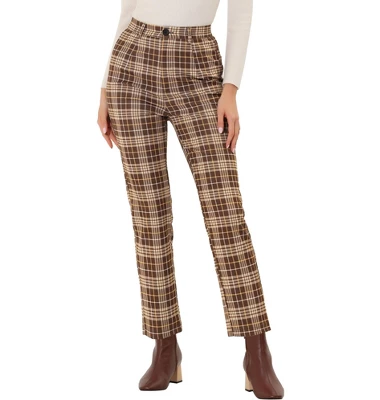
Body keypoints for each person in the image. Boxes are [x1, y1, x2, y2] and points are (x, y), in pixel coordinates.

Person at [97, 0, 284, 398]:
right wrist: (105, 87)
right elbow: (129, 7)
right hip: (131, 63)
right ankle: (165, 348)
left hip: (197, 64)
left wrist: (230, 88)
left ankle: (257, 352)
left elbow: (241, 12)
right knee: (149, 219)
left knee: (225, 215)